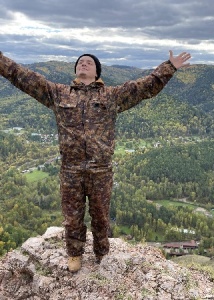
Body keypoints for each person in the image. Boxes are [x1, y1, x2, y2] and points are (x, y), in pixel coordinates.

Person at [0, 49, 191, 272]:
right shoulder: (58, 93)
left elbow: (146, 87)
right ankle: (74, 254)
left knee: (100, 216)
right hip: (70, 169)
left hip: (101, 169)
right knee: (72, 218)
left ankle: (102, 254)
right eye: (80, 62)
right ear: (75, 70)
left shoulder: (111, 96)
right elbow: (22, 77)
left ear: (97, 72)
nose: (84, 63)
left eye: (89, 62)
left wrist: (170, 66)